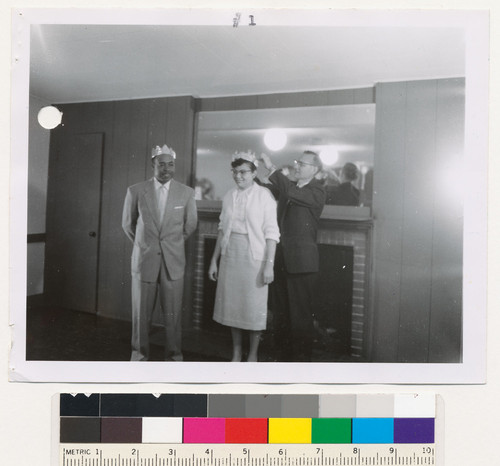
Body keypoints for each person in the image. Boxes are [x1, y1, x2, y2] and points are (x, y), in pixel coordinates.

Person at [122, 144, 198, 361]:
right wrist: (147, 245)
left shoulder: (186, 193)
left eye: (171, 164)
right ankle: (139, 357)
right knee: (141, 315)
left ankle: (174, 357)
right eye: (161, 164)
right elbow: (128, 225)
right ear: (153, 165)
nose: (167, 169)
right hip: (144, 260)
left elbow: (190, 225)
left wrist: (170, 244)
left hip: (173, 263)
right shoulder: (136, 191)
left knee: (173, 317)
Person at [208, 151, 279, 362]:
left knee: (252, 307)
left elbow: (271, 233)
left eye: (244, 172)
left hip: (255, 256)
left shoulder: (264, 196)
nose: (238, 176)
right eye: (235, 172)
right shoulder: (229, 196)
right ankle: (237, 353)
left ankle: (253, 355)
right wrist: (214, 260)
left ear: (254, 173)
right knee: (234, 306)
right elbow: (222, 229)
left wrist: (269, 266)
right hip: (231, 254)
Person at [260, 150, 326, 361]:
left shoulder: (317, 192)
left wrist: (271, 167)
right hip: (283, 261)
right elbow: (270, 190)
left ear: (314, 170)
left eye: (302, 164)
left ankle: (300, 364)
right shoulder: (292, 189)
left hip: (302, 264)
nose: (297, 166)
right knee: (281, 314)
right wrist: (252, 175)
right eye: (297, 162)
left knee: (300, 318)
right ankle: (282, 359)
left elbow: (286, 190)